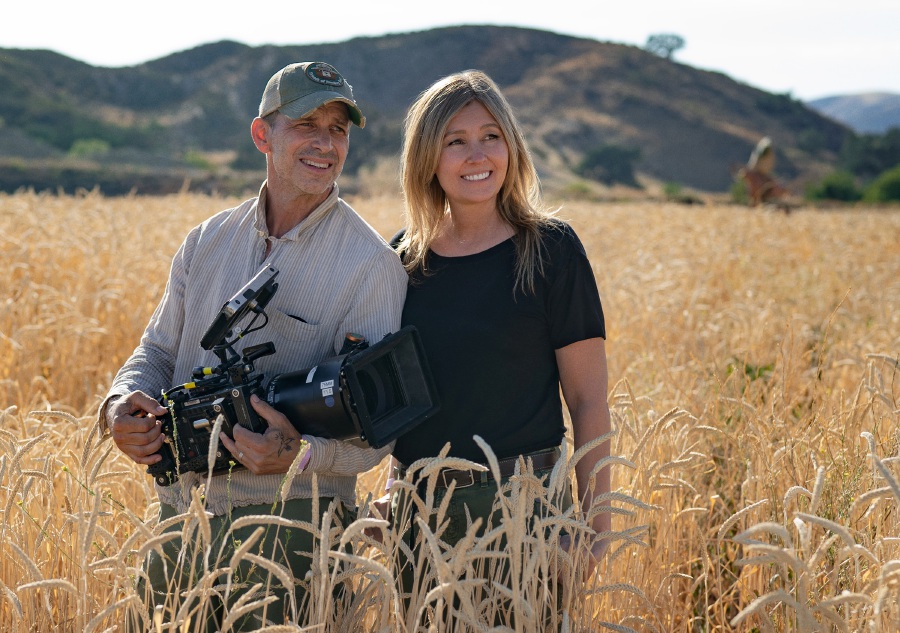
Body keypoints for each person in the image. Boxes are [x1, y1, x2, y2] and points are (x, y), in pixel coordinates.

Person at [98, 61, 407, 629]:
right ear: (263, 134)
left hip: (291, 533)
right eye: (306, 124)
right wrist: (121, 405)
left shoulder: (373, 268)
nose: (324, 143)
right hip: (179, 521)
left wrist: (298, 455)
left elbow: (380, 431)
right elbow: (158, 350)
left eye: (338, 128)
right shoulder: (206, 240)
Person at [386, 69, 611, 621]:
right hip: (424, 519)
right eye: (455, 141)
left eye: (491, 136)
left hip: (528, 513)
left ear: (511, 145)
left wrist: (595, 529)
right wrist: (392, 493)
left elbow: (588, 401)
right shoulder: (401, 260)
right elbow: (402, 399)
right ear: (428, 159)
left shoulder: (551, 250)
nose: (477, 154)